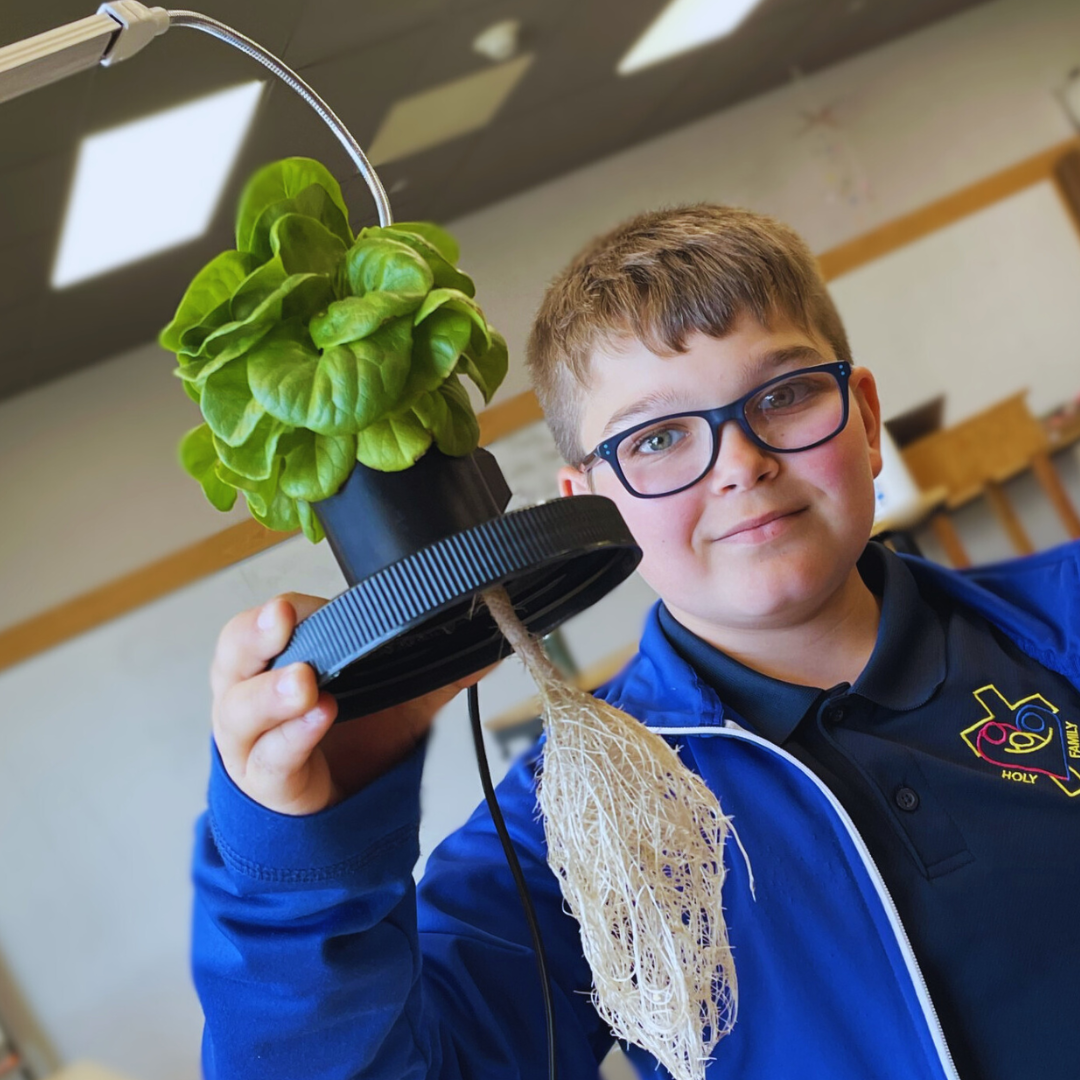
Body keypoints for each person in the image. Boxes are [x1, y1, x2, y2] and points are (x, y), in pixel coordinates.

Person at [191, 205, 1080, 1080]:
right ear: (594, 500)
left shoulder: (1062, 621)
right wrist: (301, 871)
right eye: (657, 438)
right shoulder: (568, 831)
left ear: (866, 416)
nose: (741, 463)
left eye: (786, 394)